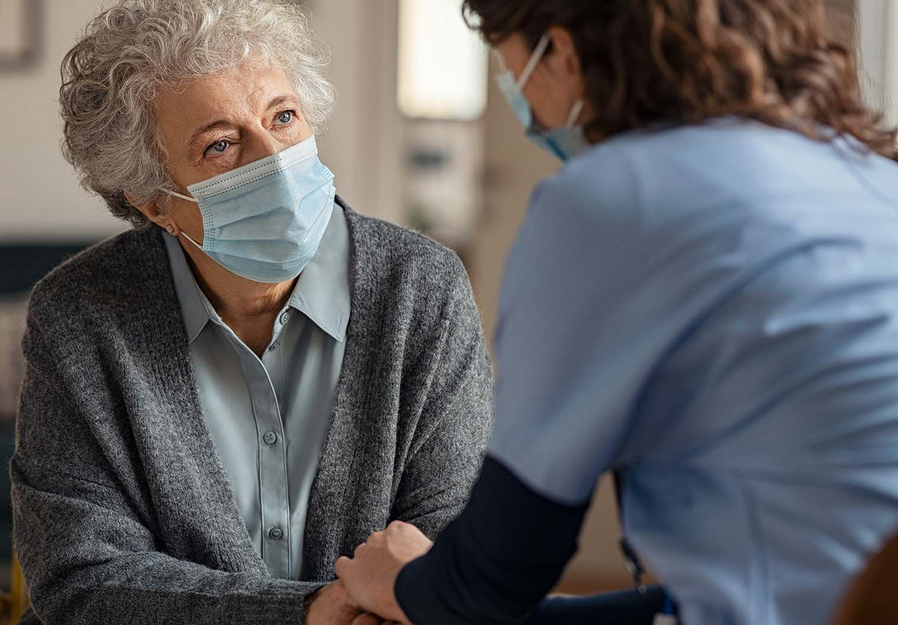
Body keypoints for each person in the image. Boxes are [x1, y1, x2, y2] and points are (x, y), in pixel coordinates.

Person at [335, 1, 898, 624]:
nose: (527, 110)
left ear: (564, 53)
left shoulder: (612, 198)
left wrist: (398, 581)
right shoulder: (865, 171)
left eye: (512, 71)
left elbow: (488, 582)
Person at [8, 1, 494, 623]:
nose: (274, 160)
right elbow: (83, 576)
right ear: (155, 202)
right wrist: (312, 612)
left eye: (284, 117)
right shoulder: (79, 315)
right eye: (221, 145)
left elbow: (452, 547)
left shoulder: (423, 290)